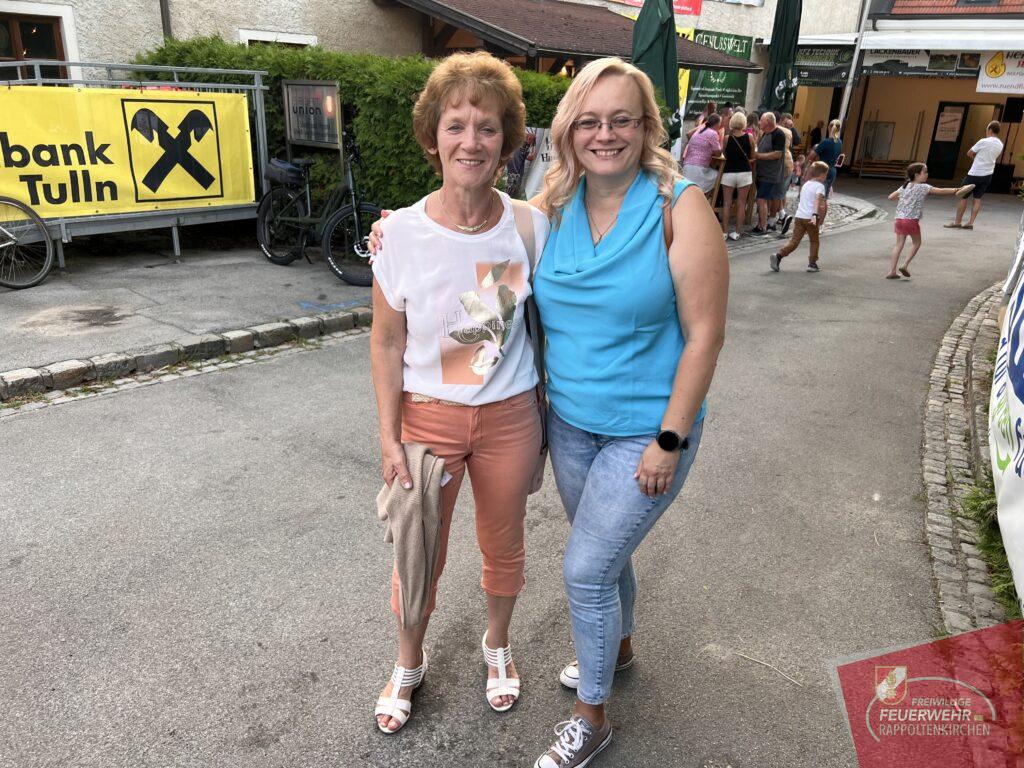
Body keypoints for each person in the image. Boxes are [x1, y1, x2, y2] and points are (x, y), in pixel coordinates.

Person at [530, 58, 727, 767]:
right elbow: (477, 234)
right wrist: (400, 229)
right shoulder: (552, 204)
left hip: (648, 430)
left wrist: (669, 440)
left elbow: (705, 334)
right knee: (606, 554)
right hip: (569, 425)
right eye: (589, 121)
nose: (604, 134)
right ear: (569, 132)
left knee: (586, 569)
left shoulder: (679, 205)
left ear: (646, 127)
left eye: (621, 119)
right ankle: (618, 647)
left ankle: (593, 719)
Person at [368, 51, 549, 733]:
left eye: (487, 127)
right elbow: (386, 342)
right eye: (456, 125)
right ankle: (407, 660)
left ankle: (496, 644)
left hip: (510, 419)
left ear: (507, 142)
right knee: (418, 551)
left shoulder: (530, 227)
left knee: (504, 546)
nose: (471, 141)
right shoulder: (399, 234)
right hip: (428, 421)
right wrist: (389, 436)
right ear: (432, 137)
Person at [888, 163, 974, 279]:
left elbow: (891, 197)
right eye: (925, 172)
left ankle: (892, 271)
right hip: (911, 220)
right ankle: (905, 264)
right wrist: (957, 190)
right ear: (917, 175)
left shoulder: (905, 186)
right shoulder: (924, 187)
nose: (927, 174)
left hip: (899, 219)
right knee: (916, 243)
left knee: (898, 245)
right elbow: (941, 191)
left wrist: (905, 199)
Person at [769, 160, 829, 273]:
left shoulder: (806, 184)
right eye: (826, 175)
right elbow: (818, 200)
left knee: (794, 241)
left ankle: (778, 255)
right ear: (821, 175)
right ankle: (812, 264)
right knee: (814, 241)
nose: (826, 177)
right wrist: (816, 215)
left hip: (799, 216)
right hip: (811, 217)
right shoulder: (820, 186)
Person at [945, 120, 1004, 231]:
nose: (986, 131)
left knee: (963, 196)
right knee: (977, 199)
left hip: (975, 173)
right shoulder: (1000, 144)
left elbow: (969, 152)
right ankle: (970, 223)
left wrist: (975, 157)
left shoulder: (983, 141)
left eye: (987, 129)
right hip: (988, 174)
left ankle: (958, 222)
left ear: (990, 130)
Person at [720, 110, 755, 240]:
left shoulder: (726, 138)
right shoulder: (750, 137)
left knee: (726, 203)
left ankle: (724, 232)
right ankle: (737, 232)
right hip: (744, 172)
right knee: (741, 203)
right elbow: (752, 156)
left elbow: (724, 154)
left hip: (729, 172)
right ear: (744, 123)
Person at [750, 112, 786, 236]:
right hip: (762, 172)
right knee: (761, 199)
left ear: (768, 122)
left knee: (761, 199)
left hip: (770, 174)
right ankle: (760, 224)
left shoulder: (778, 134)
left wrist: (759, 156)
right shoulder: (765, 133)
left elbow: (777, 154)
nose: (759, 122)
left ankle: (763, 227)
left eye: (761, 120)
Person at [682, 112, 723, 193]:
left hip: (687, 166)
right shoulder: (713, 133)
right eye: (720, 123)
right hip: (699, 169)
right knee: (719, 175)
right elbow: (718, 153)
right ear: (717, 124)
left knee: (690, 192)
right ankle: (708, 198)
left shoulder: (699, 130)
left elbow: (689, 134)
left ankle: (705, 197)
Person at [805, 119, 842, 197]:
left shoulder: (825, 142)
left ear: (829, 128)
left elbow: (812, 155)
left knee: (816, 196)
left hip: (822, 171)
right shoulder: (839, 142)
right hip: (832, 171)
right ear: (839, 130)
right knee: (824, 196)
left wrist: (805, 163)